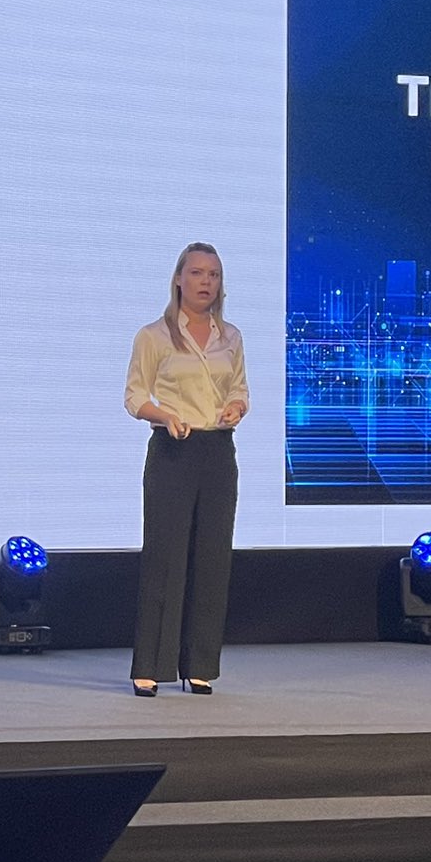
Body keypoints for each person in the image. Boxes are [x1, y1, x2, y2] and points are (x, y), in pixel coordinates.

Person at [123, 242, 247, 697]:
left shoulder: (230, 337)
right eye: (197, 273)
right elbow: (135, 396)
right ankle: (150, 665)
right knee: (165, 557)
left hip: (217, 451)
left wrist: (236, 407)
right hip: (173, 450)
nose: (205, 282)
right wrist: (164, 415)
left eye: (213, 274)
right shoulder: (154, 336)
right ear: (179, 279)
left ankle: (200, 664)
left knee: (213, 558)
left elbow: (240, 390)